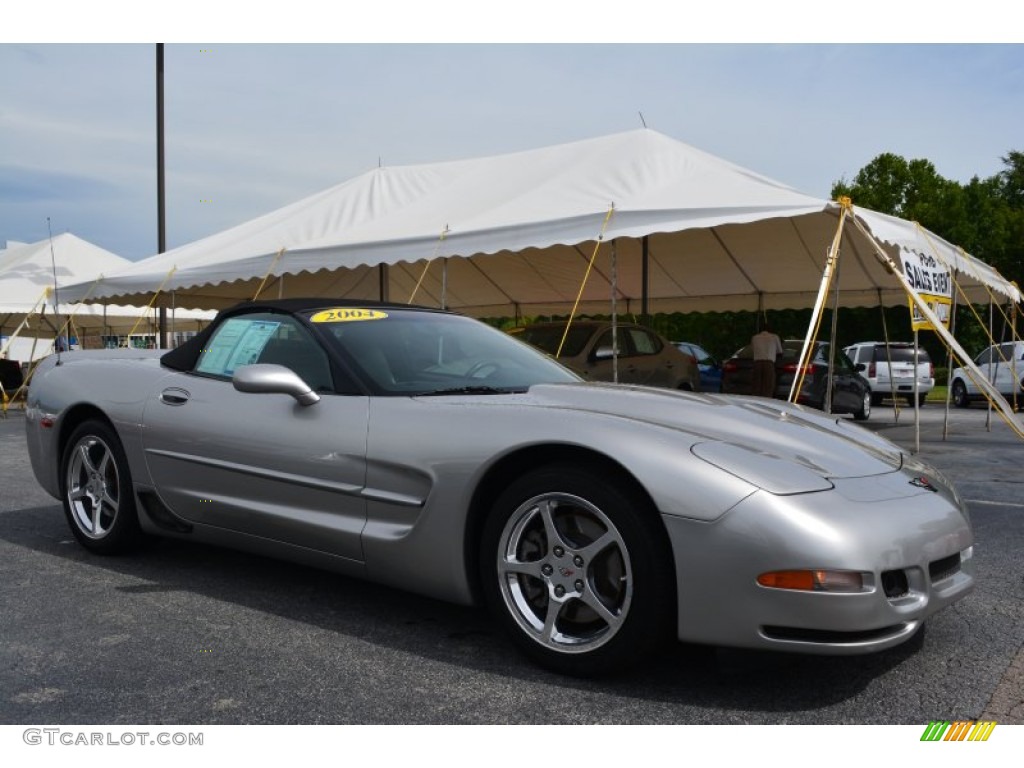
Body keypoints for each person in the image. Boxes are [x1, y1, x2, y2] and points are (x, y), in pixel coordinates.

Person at [751, 322, 783, 398]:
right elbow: (780, 352)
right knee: (768, 386)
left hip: (757, 363)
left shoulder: (754, 338)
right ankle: (766, 400)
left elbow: (753, 350)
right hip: (769, 363)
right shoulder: (774, 337)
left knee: (757, 385)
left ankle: (756, 400)